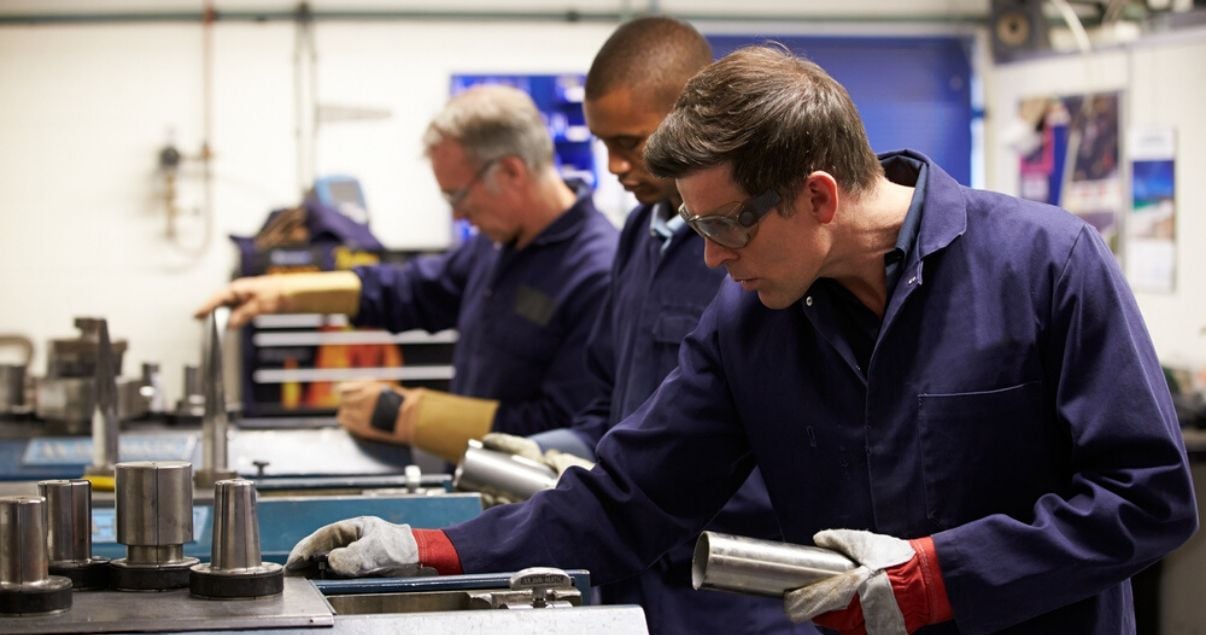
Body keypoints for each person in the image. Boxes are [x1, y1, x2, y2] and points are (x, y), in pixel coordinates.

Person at [286, 46, 1197, 633]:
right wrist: (430, 550)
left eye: (727, 228)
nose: (713, 260)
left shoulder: (1046, 264)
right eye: (696, 229)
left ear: (819, 195)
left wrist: (941, 575)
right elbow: (628, 497)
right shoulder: (752, 322)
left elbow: (1149, 497)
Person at [480, 17, 812, 635]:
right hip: (634, 570)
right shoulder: (640, 234)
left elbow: (786, 438)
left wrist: (628, 485)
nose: (613, 166)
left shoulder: (755, 251)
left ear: (693, 116)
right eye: (603, 143)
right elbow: (609, 399)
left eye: (630, 143)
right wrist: (560, 451)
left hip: (733, 589)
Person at [195, 85, 618, 462]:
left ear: (510, 171)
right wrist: (285, 292)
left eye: (457, 194)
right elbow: (414, 290)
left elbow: (568, 430)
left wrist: (406, 414)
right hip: (479, 476)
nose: (456, 213)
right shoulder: (499, 244)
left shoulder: (596, 273)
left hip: (534, 504)